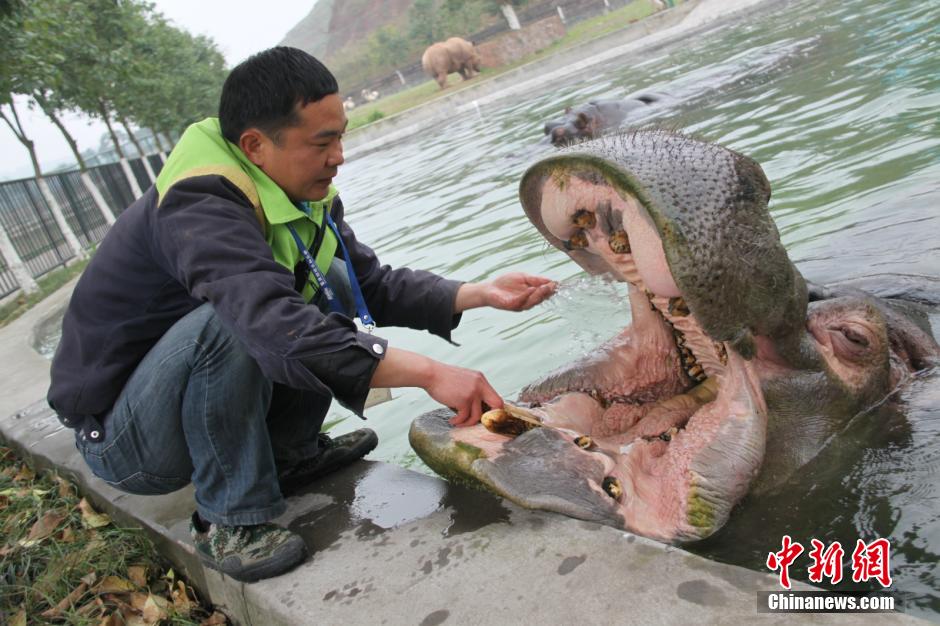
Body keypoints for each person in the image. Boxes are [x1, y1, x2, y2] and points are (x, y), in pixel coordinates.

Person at [46, 47, 555, 583]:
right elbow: (270, 324)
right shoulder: (199, 204)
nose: (339, 157)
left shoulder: (302, 195)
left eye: (341, 136)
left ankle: (289, 456)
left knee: (327, 277)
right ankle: (228, 520)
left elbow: (368, 284)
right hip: (127, 440)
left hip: (179, 406)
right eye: (321, 143)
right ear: (255, 146)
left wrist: (479, 292)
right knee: (234, 323)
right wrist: (430, 373)